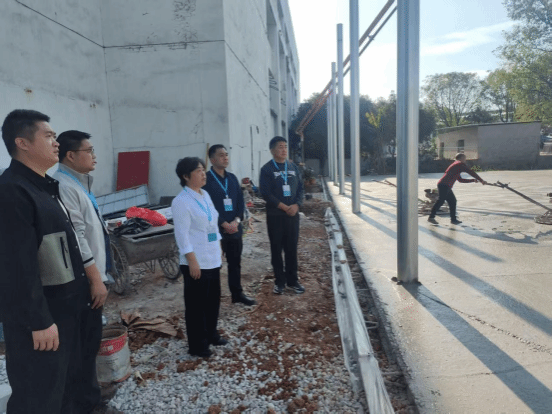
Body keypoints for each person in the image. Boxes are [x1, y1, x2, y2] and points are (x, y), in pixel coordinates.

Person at [0, 110, 97, 413]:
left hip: (63, 311)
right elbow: (16, 266)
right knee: (38, 396)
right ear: (22, 142)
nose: (56, 143)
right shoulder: (12, 192)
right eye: (49, 136)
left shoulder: (43, 187)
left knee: (62, 389)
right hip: (42, 323)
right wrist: (38, 321)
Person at [53, 130, 113, 409]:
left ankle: (89, 397)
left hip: (94, 276)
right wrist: (95, 279)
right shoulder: (64, 186)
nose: (94, 156)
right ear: (71, 155)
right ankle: (84, 403)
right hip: (84, 281)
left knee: (89, 343)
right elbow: (76, 237)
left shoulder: (79, 184)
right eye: (89, 151)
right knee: (82, 346)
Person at [172, 157, 228, 359]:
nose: (203, 174)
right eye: (198, 171)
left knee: (212, 301)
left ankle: (211, 334)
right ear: (186, 176)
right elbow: (182, 234)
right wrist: (192, 260)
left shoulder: (205, 195)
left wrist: (219, 246)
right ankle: (197, 345)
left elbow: (213, 224)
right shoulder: (181, 201)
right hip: (196, 261)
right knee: (196, 305)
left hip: (211, 257)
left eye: (203, 170)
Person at [203, 145, 256, 307]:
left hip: (234, 228)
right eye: (221, 155)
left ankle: (237, 294)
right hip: (215, 230)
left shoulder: (232, 178)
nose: (225, 157)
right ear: (212, 159)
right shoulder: (206, 180)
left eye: (226, 154)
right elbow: (206, 207)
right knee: (214, 265)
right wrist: (223, 223)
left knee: (235, 263)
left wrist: (236, 221)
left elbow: (240, 202)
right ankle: (213, 299)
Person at [260, 136, 305, 295]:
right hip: (275, 216)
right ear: (272, 150)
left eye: (285, 146)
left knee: (291, 248)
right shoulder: (267, 169)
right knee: (276, 249)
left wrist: (297, 205)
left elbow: (301, 188)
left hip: (292, 215)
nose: (284, 149)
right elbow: (265, 193)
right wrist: (283, 207)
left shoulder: (293, 167)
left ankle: (293, 281)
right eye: (280, 147)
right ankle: (279, 282)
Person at [428, 153, 487, 225]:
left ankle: (453, 220)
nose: (465, 160)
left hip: (445, 186)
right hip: (444, 185)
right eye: (465, 158)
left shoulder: (455, 165)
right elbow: (471, 172)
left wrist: (473, 180)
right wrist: (481, 180)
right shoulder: (459, 164)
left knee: (452, 201)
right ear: (461, 158)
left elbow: (460, 180)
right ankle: (431, 217)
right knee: (441, 201)